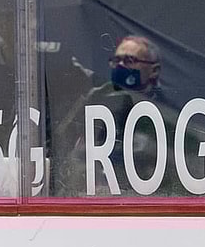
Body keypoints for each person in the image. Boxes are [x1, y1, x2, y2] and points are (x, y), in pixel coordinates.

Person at [51, 35, 187, 196]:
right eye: (117, 61)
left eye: (129, 61)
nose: (121, 66)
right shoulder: (97, 96)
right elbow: (64, 138)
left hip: (154, 196)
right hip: (100, 192)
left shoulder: (170, 107)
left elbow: (184, 158)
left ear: (154, 70)